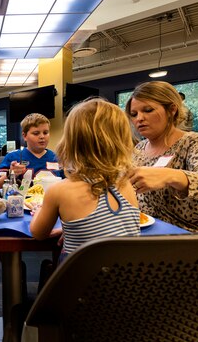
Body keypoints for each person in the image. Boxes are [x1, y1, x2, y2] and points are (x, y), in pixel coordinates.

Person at [29, 99, 140, 262]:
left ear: (70, 143)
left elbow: (39, 234)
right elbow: (108, 227)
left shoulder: (59, 191)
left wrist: (38, 211)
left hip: (80, 282)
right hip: (126, 279)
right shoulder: (126, 184)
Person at [125, 81, 198, 233]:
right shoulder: (139, 149)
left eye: (148, 110)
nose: (139, 118)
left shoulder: (193, 142)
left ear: (172, 109)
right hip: (149, 231)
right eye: (134, 114)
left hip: (193, 235)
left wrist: (170, 176)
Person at [0, 113, 60, 189]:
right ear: (25, 136)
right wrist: (11, 174)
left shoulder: (57, 158)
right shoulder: (13, 157)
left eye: (45, 133)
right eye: (36, 133)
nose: (42, 136)